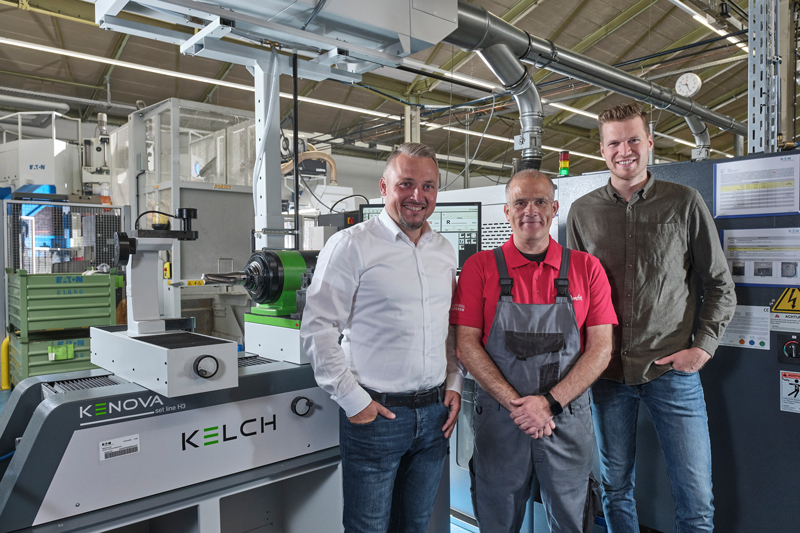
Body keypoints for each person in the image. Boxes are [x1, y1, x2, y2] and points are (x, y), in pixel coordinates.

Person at [566, 102, 737, 533]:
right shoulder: (582, 213)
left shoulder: (684, 203)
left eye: (633, 140)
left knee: (696, 497)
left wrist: (701, 349)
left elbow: (719, 283)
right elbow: (573, 297)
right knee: (615, 488)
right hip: (606, 374)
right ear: (602, 150)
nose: (625, 150)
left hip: (671, 371)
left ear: (650, 143)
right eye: (615, 143)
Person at [300, 142, 464, 533]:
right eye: (406, 184)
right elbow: (319, 328)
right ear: (384, 187)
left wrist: (455, 382)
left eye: (428, 186)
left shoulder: (444, 251)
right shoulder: (352, 245)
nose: (417, 196)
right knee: (368, 528)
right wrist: (355, 401)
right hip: (377, 416)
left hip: (434, 417)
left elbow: (449, 328)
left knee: (416, 526)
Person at [451, 169, 617, 532]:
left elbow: (601, 349)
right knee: (497, 521)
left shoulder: (587, 269)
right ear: (506, 211)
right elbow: (466, 343)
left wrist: (549, 404)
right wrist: (519, 406)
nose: (531, 210)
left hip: (566, 419)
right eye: (520, 202)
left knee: (572, 521)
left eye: (540, 201)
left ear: (555, 207)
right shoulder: (480, 268)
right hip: (501, 419)